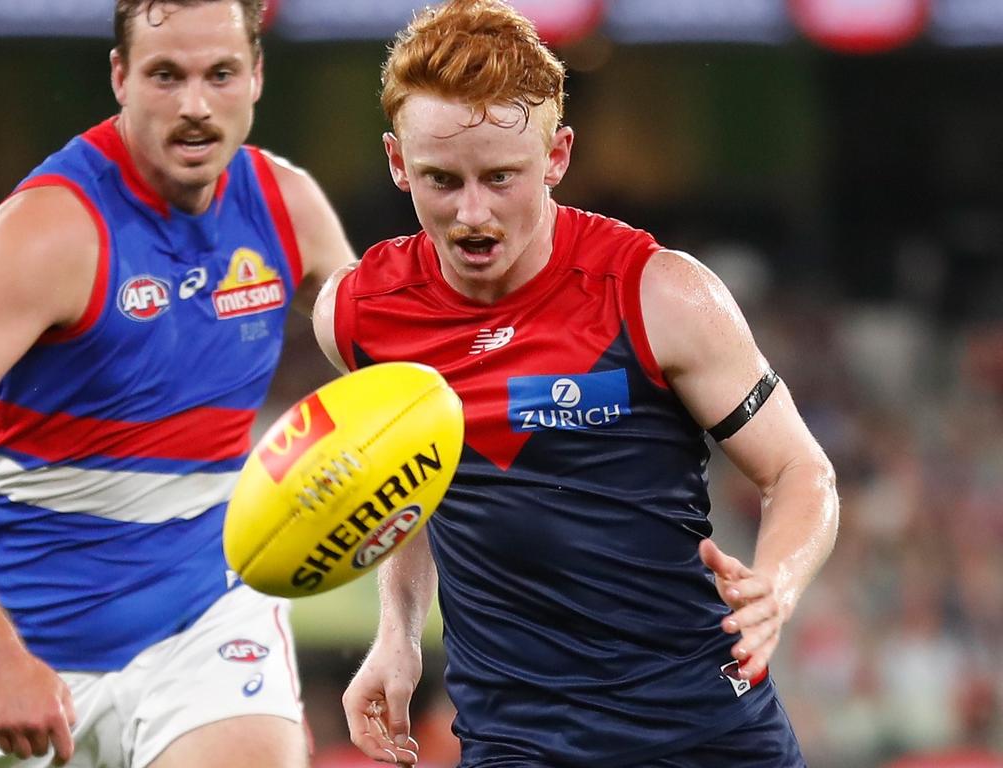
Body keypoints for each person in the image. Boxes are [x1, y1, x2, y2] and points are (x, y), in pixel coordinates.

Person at [314, 1, 839, 766]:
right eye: (441, 180)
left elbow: (802, 470)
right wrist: (396, 635)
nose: (472, 213)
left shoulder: (660, 294)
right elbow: (414, 482)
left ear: (557, 155)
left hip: (706, 731)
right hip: (516, 741)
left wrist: (776, 586)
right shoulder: (360, 316)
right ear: (398, 162)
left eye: (502, 177)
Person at [0, 1, 355, 766]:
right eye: (165, 76)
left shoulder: (289, 210)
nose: (194, 105)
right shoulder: (46, 232)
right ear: (120, 78)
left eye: (219, 74)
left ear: (256, 76)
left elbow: (398, 372)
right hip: (22, 648)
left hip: (202, 624)